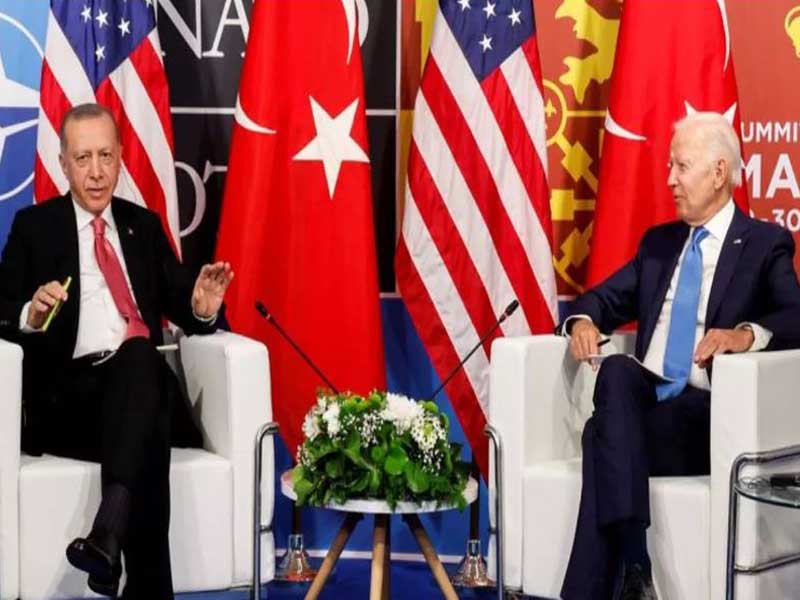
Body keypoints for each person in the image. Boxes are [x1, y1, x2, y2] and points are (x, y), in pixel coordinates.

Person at [558, 112, 800, 600]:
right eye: (670, 166)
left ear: (718, 172)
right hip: (645, 404)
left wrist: (744, 335)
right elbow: (601, 300)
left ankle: (617, 574)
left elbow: (795, 316)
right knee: (618, 372)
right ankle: (636, 570)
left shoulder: (763, 244)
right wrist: (581, 321)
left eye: (681, 166)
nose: (669, 179)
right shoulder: (659, 245)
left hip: (703, 414)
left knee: (599, 435)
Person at [0, 103, 234, 599]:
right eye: (83, 158)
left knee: (139, 358)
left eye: (105, 156)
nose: (96, 171)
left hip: (136, 387)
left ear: (121, 157)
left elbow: (185, 301)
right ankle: (139, 574)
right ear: (63, 164)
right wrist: (30, 315)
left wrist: (202, 306)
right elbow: (2, 308)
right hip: (71, 403)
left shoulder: (142, 226)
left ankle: (109, 534)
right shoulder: (34, 227)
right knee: (144, 392)